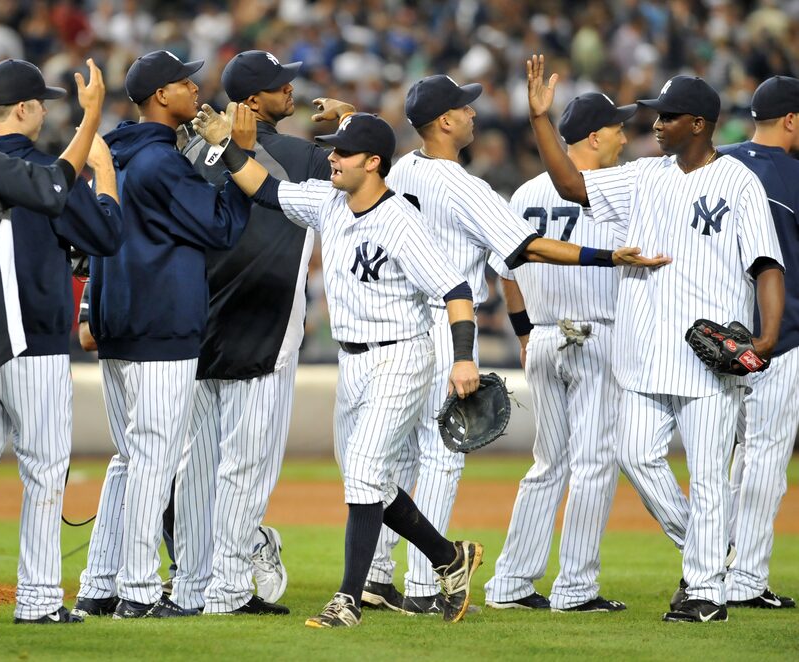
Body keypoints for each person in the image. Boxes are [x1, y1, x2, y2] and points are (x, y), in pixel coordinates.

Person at [361, 74, 670, 614]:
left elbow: (504, 268)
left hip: (412, 323)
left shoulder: (403, 169)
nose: (475, 114)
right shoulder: (467, 186)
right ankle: (429, 587)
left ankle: (389, 576)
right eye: (465, 108)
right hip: (459, 322)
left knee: (406, 456)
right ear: (444, 121)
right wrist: (607, 256)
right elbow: (522, 251)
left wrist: (527, 331)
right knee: (443, 457)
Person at [194, 104, 485, 628]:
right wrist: (229, 146)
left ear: (373, 162)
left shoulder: (400, 221)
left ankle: (348, 599)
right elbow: (265, 189)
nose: (332, 156)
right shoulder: (330, 200)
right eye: (333, 147)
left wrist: (462, 358)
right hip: (353, 362)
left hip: (400, 355)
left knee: (366, 474)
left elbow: (456, 290)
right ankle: (449, 557)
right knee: (365, 477)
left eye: (344, 151)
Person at [526, 54, 785, 623]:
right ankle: (709, 550)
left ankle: (703, 593)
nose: (655, 124)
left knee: (711, 476)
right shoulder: (644, 175)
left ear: (698, 123)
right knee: (635, 455)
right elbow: (571, 185)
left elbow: (767, 264)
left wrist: (766, 338)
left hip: (706, 359)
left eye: (667, 116)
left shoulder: (738, 182)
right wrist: (541, 120)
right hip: (643, 356)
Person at [74, 50, 252, 620]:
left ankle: (99, 583)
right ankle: (140, 591)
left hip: (116, 321)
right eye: (183, 82)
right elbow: (221, 226)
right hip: (161, 324)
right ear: (158, 96)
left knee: (129, 459)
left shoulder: (114, 153)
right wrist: (236, 158)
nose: (194, 88)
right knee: (154, 458)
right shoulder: (159, 164)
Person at [170, 50, 347, 616]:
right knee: (248, 465)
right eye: (278, 85)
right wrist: (346, 122)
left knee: (196, 466)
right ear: (251, 101)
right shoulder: (300, 155)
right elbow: (371, 168)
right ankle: (225, 588)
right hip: (267, 325)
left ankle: (190, 586)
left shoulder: (190, 149)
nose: (290, 90)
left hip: (198, 321)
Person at [0, 59, 122, 625]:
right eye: (43, 103)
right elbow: (105, 236)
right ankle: (36, 601)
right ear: (27, 109)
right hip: (35, 342)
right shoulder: (48, 169)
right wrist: (103, 181)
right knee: (43, 472)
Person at [484, 92, 634, 613]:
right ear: (594, 137)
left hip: (545, 337)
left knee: (547, 464)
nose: (624, 136)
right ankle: (576, 589)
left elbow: (506, 273)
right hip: (598, 336)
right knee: (593, 463)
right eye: (618, 128)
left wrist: (525, 335)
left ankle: (510, 585)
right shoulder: (616, 191)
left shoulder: (524, 192)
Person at [720, 76, 799, 610]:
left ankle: (712, 564)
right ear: (792, 119)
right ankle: (745, 579)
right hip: (782, 336)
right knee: (765, 456)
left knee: (730, 458)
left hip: (718, 338)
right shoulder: (793, 175)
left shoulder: (716, 162)